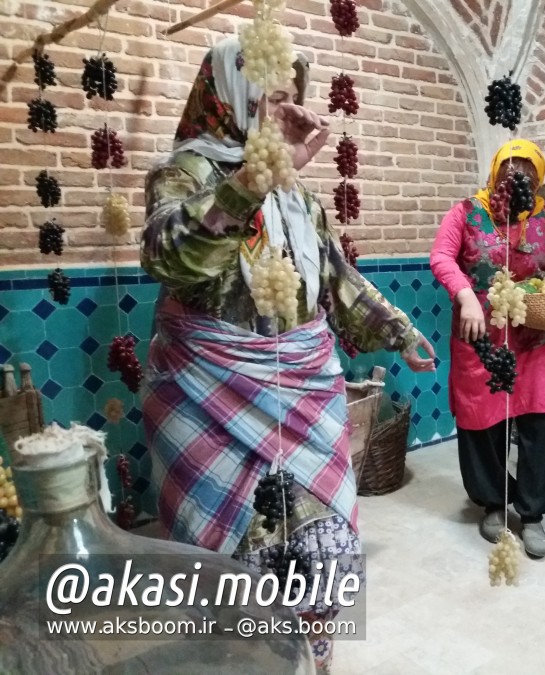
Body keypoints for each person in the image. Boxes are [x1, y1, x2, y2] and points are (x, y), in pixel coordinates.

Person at [140, 37, 435, 674]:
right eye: (266, 92)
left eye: (287, 93)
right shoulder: (185, 173)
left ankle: (313, 654)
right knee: (221, 552)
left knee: (326, 535)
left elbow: (337, 278)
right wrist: (252, 181)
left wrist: (397, 329)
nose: (281, 104)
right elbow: (168, 256)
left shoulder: (299, 196)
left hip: (305, 387)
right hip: (205, 393)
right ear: (225, 95)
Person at [429, 138, 545, 558]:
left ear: (538, 179)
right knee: (482, 424)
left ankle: (532, 514)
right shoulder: (467, 212)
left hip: (533, 340)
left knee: (538, 424)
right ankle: (493, 502)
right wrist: (466, 296)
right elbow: (441, 257)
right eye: (510, 169)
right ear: (495, 172)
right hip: (480, 342)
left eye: (528, 172)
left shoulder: (544, 217)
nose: (517, 177)